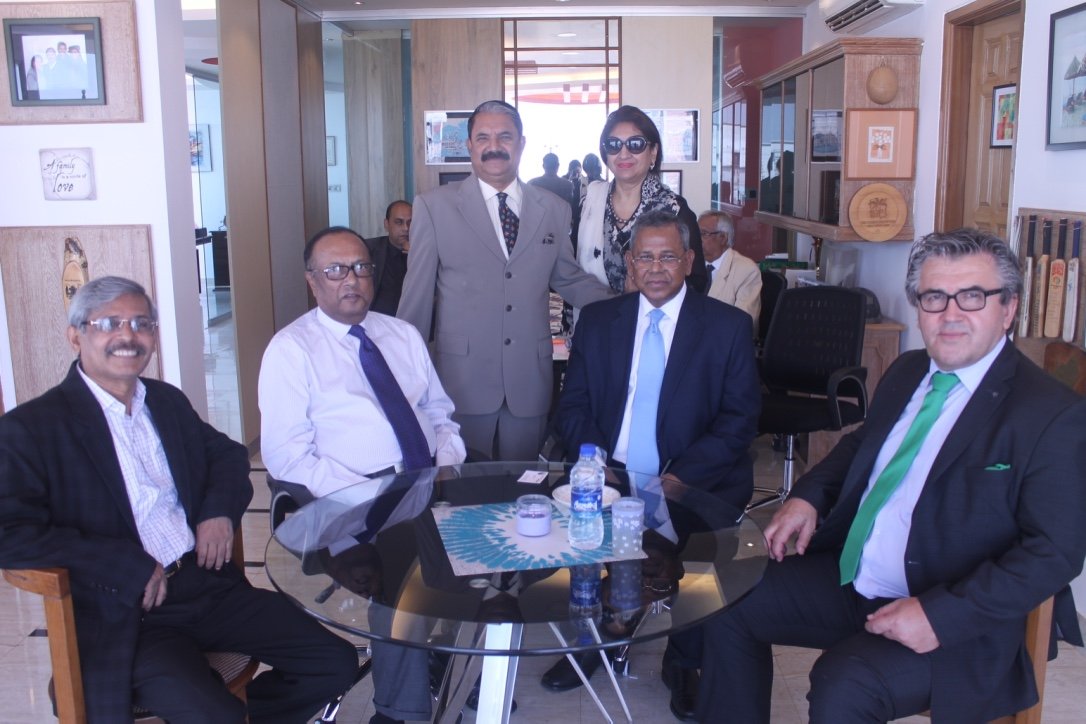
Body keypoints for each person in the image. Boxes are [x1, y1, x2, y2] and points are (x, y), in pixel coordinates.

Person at [697, 228, 1086, 723]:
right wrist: (808, 495)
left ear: (1007, 308)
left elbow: (1054, 552)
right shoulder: (909, 370)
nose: (950, 314)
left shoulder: (1051, 413)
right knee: (725, 593)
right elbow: (862, 445)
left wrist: (940, 615)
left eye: (972, 296)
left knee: (844, 683)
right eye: (934, 297)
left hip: (956, 616)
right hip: (857, 579)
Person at [0, 276, 357, 724]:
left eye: (141, 323)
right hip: (129, 612)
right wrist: (123, 564)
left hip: (204, 585)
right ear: (76, 336)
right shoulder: (33, 428)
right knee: (215, 714)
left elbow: (228, 455)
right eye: (109, 323)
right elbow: (10, 532)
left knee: (335, 663)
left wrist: (217, 513)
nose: (128, 335)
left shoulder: (164, 401)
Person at [545, 209, 761, 720]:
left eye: (668, 257)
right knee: (586, 534)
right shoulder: (601, 321)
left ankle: (683, 660)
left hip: (693, 476)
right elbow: (573, 406)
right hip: (612, 470)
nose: (656, 268)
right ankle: (600, 638)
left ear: (689, 261)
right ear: (630, 263)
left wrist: (682, 476)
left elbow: (740, 419)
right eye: (645, 257)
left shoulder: (727, 326)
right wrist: (596, 460)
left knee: (695, 562)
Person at [259, 226, 466, 724]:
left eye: (360, 267)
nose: (350, 279)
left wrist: (444, 462)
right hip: (349, 502)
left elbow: (440, 412)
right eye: (335, 270)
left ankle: (457, 672)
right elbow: (288, 457)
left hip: (424, 482)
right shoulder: (291, 350)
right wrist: (371, 495)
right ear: (312, 281)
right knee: (403, 587)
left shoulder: (401, 334)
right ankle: (400, 712)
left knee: (490, 556)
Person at [398, 99, 614, 461]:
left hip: (529, 378)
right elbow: (416, 297)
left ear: (522, 143)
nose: (494, 146)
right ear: (469, 145)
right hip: (460, 381)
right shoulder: (434, 207)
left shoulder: (553, 209)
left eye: (505, 136)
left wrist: (625, 302)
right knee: (462, 484)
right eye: (483, 137)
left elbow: (567, 277)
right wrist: (401, 374)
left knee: (523, 482)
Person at [576, 105, 707, 300]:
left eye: (635, 144)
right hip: (593, 314)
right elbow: (572, 273)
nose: (623, 153)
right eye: (613, 144)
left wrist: (646, 295)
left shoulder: (675, 210)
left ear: (653, 152)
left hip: (655, 317)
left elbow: (696, 283)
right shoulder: (590, 200)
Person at [698, 210, 761, 329]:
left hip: (722, 338)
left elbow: (743, 323)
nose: (697, 239)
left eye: (704, 234)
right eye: (696, 233)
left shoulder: (746, 270)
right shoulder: (691, 265)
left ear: (723, 238)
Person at [366, 200, 412, 315]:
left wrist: (415, 255)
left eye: (410, 222)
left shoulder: (424, 254)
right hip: (376, 319)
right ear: (386, 224)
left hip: (413, 320)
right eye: (399, 222)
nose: (406, 228)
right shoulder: (368, 250)